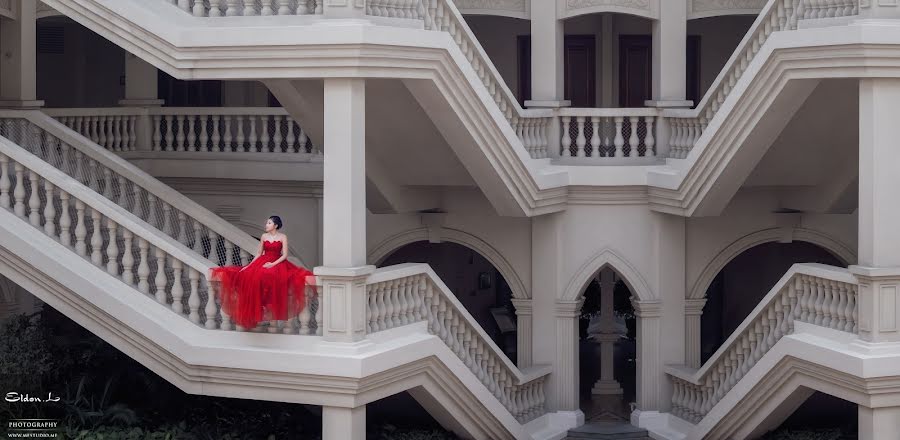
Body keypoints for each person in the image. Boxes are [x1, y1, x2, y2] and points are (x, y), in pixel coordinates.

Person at [209, 215, 314, 329]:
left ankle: (268, 306)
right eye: (267, 223)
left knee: (273, 277)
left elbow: (284, 255)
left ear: (275, 225)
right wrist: (249, 266)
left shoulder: (283, 237)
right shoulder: (264, 236)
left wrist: (272, 264)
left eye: (269, 223)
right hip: (264, 260)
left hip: (277, 262)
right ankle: (260, 306)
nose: (266, 225)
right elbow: (259, 253)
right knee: (251, 276)